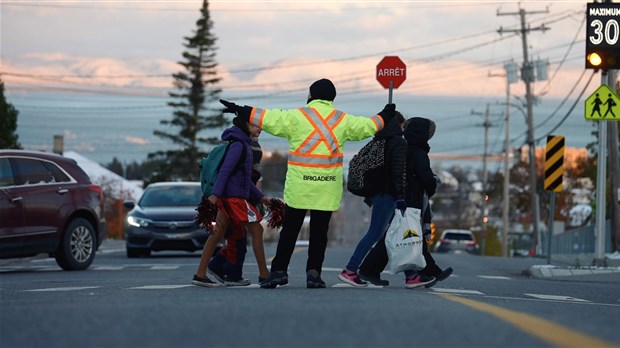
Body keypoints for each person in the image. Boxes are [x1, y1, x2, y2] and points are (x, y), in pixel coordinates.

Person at [220, 78, 395, 288]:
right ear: (332, 98)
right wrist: (386, 113)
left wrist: (240, 109)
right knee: (319, 234)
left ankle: (278, 272)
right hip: (327, 187)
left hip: (300, 186)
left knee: (290, 231)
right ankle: (314, 274)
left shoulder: (297, 117)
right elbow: (368, 126)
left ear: (311, 95)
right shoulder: (342, 120)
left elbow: (269, 118)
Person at [359, 117, 453, 288]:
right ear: (422, 134)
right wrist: (432, 186)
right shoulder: (418, 152)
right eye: (428, 132)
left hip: (398, 197)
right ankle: (428, 271)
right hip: (411, 200)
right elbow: (425, 176)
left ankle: (371, 269)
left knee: (397, 235)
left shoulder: (404, 147)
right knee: (407, 236)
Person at [192, 117, 270, 287]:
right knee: (256, 230)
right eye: (258, 125)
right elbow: (225, 171)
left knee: (216, 234)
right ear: (247, 124)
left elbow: (244, 179)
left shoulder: (241, 144)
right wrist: (215, 195)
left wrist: (260, 196)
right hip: (233, 199)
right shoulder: (239, 146)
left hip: (229, 197)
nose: (261, 129)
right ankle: (264, 275)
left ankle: (200, 274)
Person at [338, 111, 407, 287]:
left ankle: (413, 274)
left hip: (378, 194)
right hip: (388, 195)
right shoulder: (398, 143)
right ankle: (350, 270)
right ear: (398, 125)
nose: (403, 129)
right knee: (375, 233)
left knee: (397, 233)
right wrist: (400, 195)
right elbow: (397, 172)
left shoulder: (377, 141)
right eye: (402, 125)